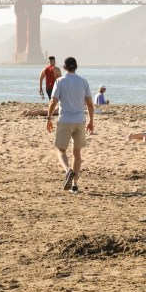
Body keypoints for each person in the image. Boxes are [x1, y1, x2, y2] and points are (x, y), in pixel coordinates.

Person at [46, 56, 94, 193]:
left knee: (61, 150)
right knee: (77, 153)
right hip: (80, 120)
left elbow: (53, 102)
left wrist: (49, 118)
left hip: (65, 120)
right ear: (76, 67)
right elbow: (90, 104)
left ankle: (68, 170)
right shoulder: (83, 82)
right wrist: (91, 121)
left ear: (65, 67)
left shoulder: (60, 81)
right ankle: (75, 185)